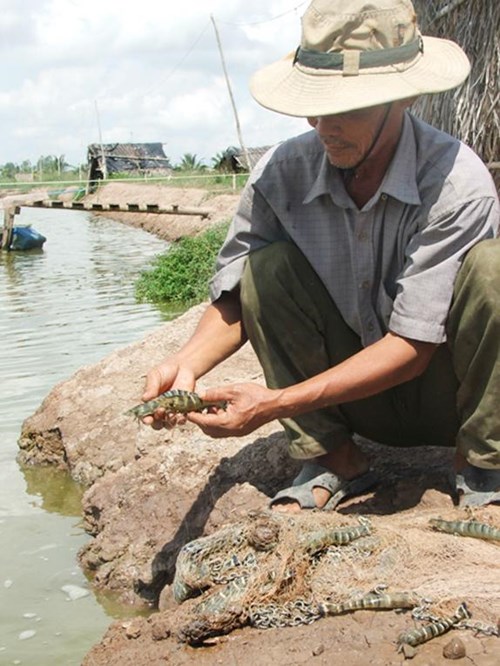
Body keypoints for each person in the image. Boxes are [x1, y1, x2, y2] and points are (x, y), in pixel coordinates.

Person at [142, 0, 500, 511]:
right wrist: (183, 365)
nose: (324, 126)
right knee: (262, 271)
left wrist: (274, 405)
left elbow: (413, 347)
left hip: (447, 399)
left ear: (405, 100)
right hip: (353, 401)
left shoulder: (456, 183)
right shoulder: (280, 174)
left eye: (348, 109)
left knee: (494, 271)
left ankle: (481, 464)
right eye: (315, 107)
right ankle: (335, 458)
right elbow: (235, 302)